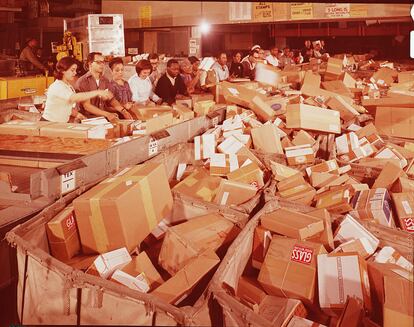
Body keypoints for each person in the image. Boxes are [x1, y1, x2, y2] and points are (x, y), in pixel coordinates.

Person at [42, 56, 112, 123]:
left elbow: (65, 106)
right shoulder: (58, 86)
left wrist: (78, 115)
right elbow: (74, 98)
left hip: (60, 124)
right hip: (49, 123)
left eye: (75, 70)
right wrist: (97, 92)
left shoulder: (68, 86)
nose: (75, 73)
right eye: (72, 70)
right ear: (63, 70)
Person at [75, 52, 133, 122]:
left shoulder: (105, 80)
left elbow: (111, 99)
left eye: (103, 62)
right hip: (87, 120)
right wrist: (107, 114)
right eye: (98, 62)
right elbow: (87, 106)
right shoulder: (82, 82)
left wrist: (123, 111)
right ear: (90, 64)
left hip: (102, 119)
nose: (102, 65)